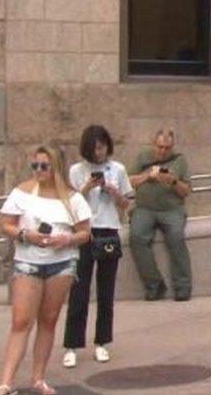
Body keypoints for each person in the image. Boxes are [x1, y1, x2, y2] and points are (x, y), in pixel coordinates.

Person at [0, 145, 92, 395]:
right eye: (35, 165)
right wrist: (26, 234)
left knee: (48, 320)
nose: (38, 170)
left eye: (44, 166)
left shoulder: (73, 198)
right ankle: (5, 382)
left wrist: (66, 240)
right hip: (28, 260)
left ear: (56, 168)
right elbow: (5, 224)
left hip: (60, 262)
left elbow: (85, 232)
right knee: (21, 320)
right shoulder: (22, 192)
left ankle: (38, 378)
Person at [62, 126, 133, 368]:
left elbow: (127, 204)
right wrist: (86, 188)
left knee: (106, 291)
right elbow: (69, 204)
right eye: (94, 148)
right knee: (79, 291)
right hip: (84, 231)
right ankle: (72, 345)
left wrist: (112, 191)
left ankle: (102, 342)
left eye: (102, 147)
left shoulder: (118, 169)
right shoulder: (76, 170)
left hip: (108, 229)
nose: (99, 152)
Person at [128, 129, 192, 301]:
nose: (163, 151)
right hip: (145, 208)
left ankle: (182, 286)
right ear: (153, 144)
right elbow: (129, 181)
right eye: (160, 147)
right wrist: (148, 176)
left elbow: (186, 191)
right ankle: (154, 284)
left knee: (177, 238)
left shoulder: (179, 160)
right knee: (136, 237)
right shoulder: (142, 157)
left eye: (167, 148)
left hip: (171, 209)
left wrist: (172, 181)